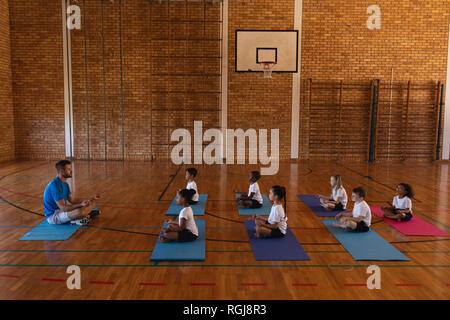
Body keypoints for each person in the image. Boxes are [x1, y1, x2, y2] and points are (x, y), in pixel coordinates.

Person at [43, 160, 100, 226]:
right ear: (61, 171)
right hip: (54, 216)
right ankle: (79, 217)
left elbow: (72, 200)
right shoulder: (54, 186)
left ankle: (84, 215)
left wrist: (91, 198)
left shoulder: (65, 184)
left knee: (92, 203)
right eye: (69, 169)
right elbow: (63, 208)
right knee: (79, 211)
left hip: (62, 212)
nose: (71, 171)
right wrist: (81, 205)